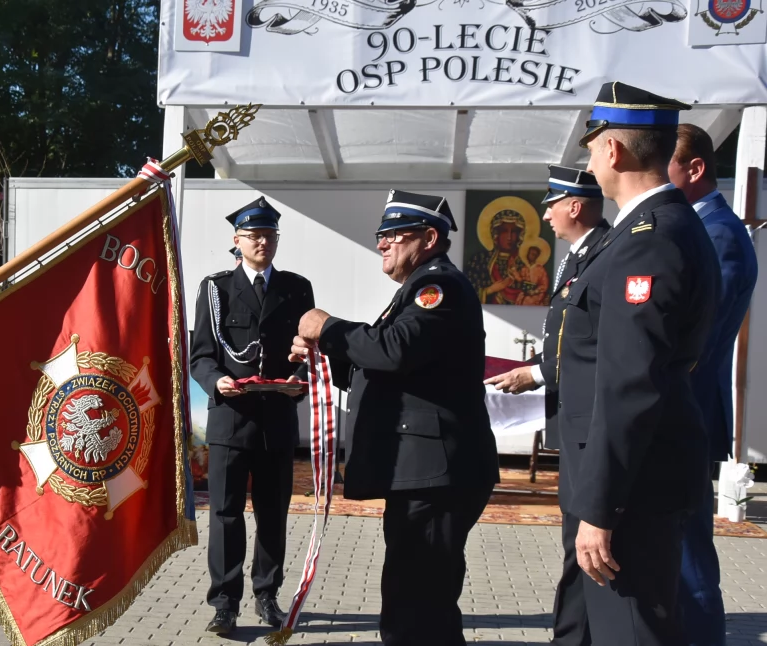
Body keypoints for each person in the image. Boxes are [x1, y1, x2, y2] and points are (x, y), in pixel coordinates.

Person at [290, 190, 499, 645]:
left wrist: (326, 326)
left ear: (428, 237)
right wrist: (324, 357)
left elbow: (392, 351)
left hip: (436, 475)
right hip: (425, 472)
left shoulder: (437, 288)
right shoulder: (415, 289)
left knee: (418, 606)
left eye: (393, 234)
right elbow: (385, 369)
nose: (382, 243)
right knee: (417, 601)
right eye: (380, 235)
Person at [551, 81, 720, 645]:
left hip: (628, 490)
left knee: (629, 633)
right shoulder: (650, 230)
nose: (591, 158)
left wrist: (601, 509)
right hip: (614, 477)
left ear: (614, 152)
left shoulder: (649, 239)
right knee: (584, 628)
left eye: (593, 145)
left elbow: (630, 383)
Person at [189, 197, 313, 635]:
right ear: (237, 240)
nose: (263, 241)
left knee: (273, 513)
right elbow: (200, 355)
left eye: (270, 235)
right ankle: (225, 603)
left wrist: (297, 379)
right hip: (230, 417)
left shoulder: (297, 288)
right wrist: (215, 381)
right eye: (254, 235)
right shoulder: (216, 288)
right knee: (224, 514)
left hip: (277, 418)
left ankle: (267, 595)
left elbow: (305, 353)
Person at [668, 123, 758, 646]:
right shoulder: (708, 226)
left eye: (667, 168)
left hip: (690, 411)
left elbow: (697, 334)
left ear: (695, 169)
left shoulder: (717, 232)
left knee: (689, 551)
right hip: (687, 409)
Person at [485, 165, 609, 452]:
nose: (546, 215)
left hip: (590, 408)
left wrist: (538, 374)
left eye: (552, 206)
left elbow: (602, 341)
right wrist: (532, 365)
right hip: (569, 404)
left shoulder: (606, 255)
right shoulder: (580, 255)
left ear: (575, 207)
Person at [466, 208, 528, 304]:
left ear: (520, 235)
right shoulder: (480, 260)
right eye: (504, 231)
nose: (509, 237)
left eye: (514, 232)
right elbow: (466, 293)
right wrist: (489, 290)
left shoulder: (523, 263)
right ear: (495, 234)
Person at [515, 239, 550, 305]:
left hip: (535, 297)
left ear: (536, 256)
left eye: (533, 254)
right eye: (530, 253)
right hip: (523, 295)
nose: (531, 256)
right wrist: (516, 275)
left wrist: (534, 291)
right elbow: (521, 281)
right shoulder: (524, 268)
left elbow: (544, 285)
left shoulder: (541, 270)